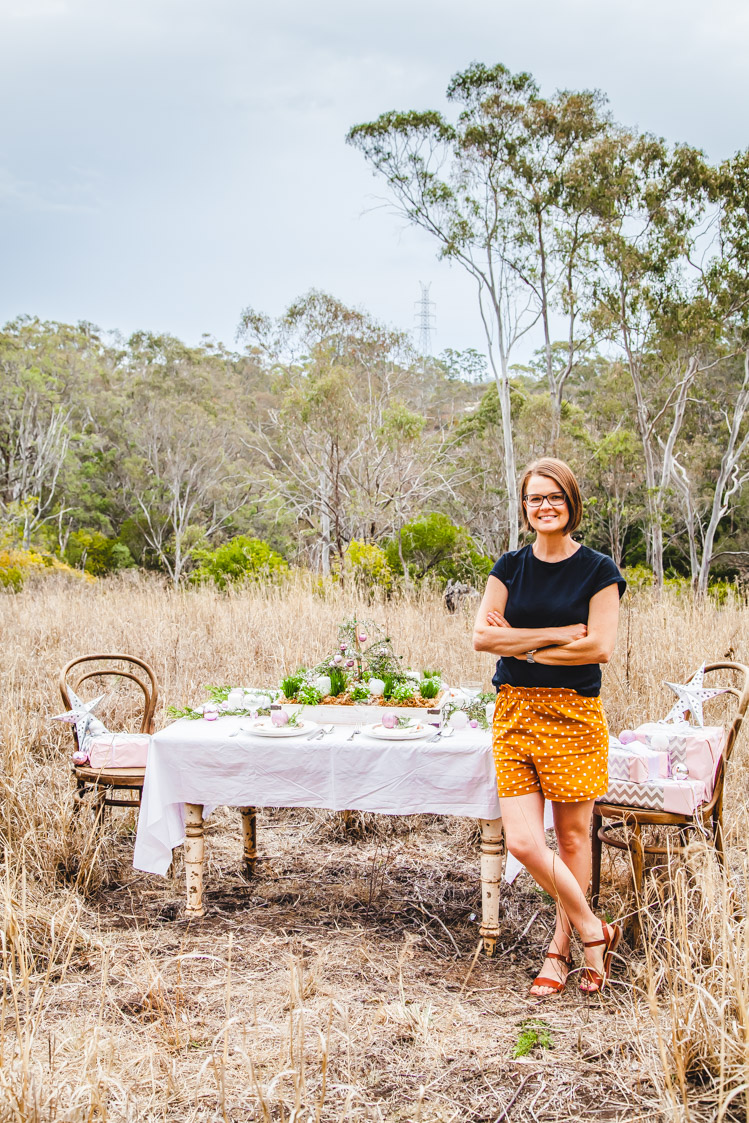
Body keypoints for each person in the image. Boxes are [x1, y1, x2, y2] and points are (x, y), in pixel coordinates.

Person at [472, 457, 626, 996]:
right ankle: (593, 926)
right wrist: (560, 635)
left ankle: (561, 949)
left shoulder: (599, 570)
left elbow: (600, 648)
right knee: (522, 841)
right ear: (524, 506)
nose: (544, 506)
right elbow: (483, 640)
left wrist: (521, 640)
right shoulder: (508, 567)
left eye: (554, 497)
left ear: (571, 503)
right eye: (534, 498)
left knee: (573, 836)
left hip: (573, 713)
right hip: (513, 710)